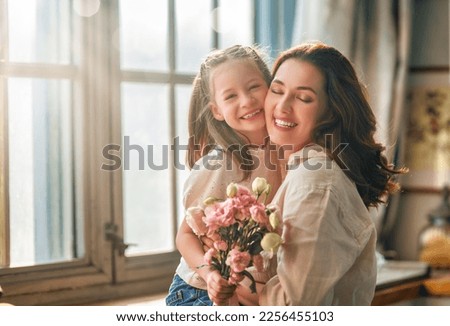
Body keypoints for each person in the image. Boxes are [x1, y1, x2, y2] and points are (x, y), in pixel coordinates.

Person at [207, 41, 407, 305]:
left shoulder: (315, 182)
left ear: (332, 111)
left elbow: (292, 305)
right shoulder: (301, 170)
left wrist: (232, 283)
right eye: (277, 91)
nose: (283, 107)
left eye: (303, 98)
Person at [165, 45, 282, 306]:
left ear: (272, 87)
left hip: (252, 293)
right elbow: (185, 235)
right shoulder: (219, 164)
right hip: (199, 292)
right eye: (230, 96)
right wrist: (210, 276)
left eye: (254, 87)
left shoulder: (284, 151)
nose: (247, 100)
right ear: (217, 111)